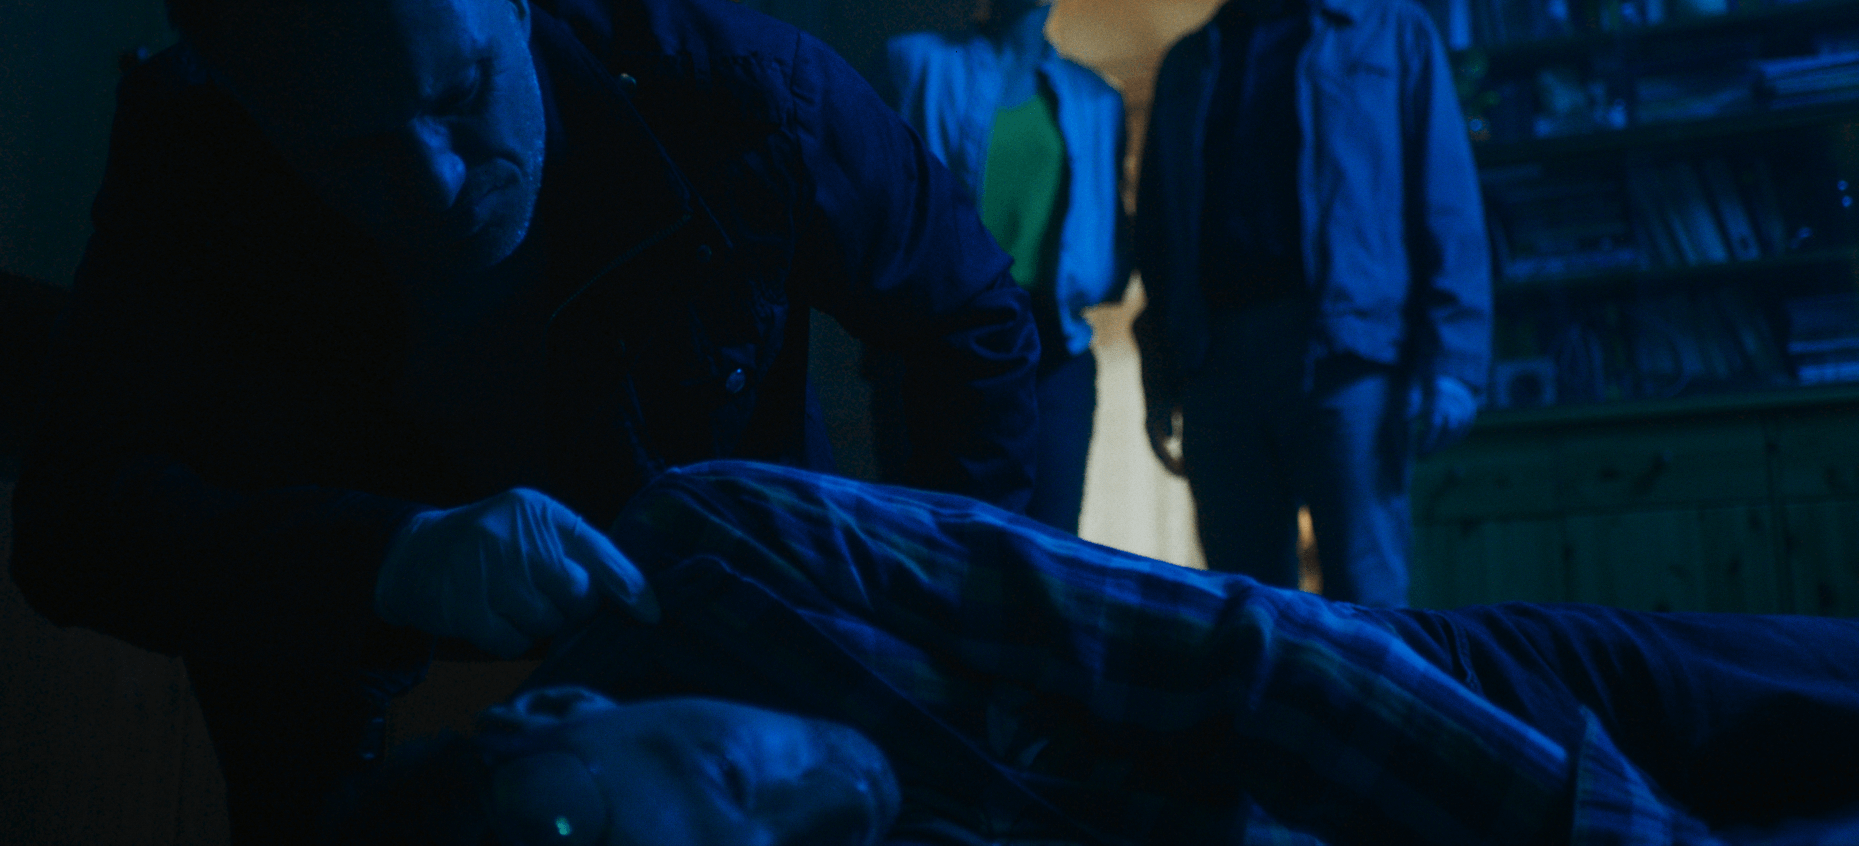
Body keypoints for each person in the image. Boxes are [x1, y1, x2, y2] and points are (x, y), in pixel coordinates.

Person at [9, 0, 1040, 843]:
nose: (438, 185)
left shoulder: (748, 92)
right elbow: (69, 525)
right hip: (324, 678)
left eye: (463, 92)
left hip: (726, 621)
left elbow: (968, 317)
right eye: (347, 149)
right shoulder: (189, 148)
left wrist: (933, 622)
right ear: (245, 105)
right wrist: (392, 558)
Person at [326, 459, 1859, 846]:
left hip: (1452, 709)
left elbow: (1251, 659)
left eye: (737, 777)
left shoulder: (717, 551)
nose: (838, 808)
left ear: (561, 706)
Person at [1134, 0, 1492, 605]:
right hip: (1218, 362)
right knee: (1242, 607)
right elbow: (1158, 233)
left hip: (1348, 355)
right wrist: (1161, 379)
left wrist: (1455, 364)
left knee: (1368, 596)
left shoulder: (1392, 31)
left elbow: (1447, 203)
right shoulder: (1190, 62)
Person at [883, 0, 1128, 534]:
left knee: (1046, 546)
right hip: (939, 335)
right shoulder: (917, 64)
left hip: (1054, 348)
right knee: (931, 536)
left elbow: (1108, 226)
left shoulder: (1096, 101)